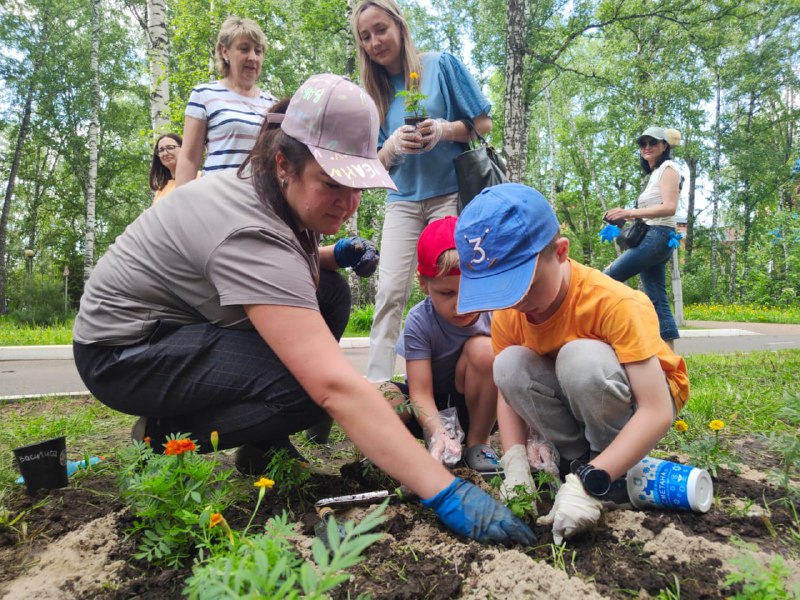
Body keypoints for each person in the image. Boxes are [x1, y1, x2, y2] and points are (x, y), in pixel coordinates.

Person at [72, 74, 534, 547]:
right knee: (308, 389)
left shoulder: (278, 196)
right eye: (334, 184)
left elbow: (280, 265)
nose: (349, 206)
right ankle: (162, 433)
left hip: (182, 323)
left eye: (358, 187)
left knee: (329, 289)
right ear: (283, 164)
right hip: (125, 350)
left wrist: (334, 255)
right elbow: (333, 385)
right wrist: (446, 493)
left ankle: (260, 441)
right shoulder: (249, 227)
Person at [453, 183, 690, 544]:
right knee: (508, 365)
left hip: (640, 401)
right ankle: (576, 462)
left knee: (580, 357)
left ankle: (608, 474)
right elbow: (509, 391)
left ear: (561, 253)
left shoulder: (614, 302)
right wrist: (515, 463)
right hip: (577, 398)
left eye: (524, 286)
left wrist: (594, 481)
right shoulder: (511, 311)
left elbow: (656, 410)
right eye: (500, 290)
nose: (516, 302)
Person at [352, 0, 493, 382]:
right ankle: (378, 385)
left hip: (449, 193)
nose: (375, 41)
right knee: (390, 290)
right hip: (402, 200)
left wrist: (445, 130)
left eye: (380, 29)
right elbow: (373, 165)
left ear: (399, 25)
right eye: (365, 36)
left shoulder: (440, 66)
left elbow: (483, 122)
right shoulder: (372, 93)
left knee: (454, 284)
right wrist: (392, 146)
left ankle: (466, 374)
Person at [382, 216, 500, 476]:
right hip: (429, 409)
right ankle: (406, 455)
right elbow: (420, 393)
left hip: (479, 408)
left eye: (471, 291)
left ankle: (479, 444)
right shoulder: (420, 320)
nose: (461, 304)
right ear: (423, 283)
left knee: (484, 349)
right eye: (447, 293)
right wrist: (438, 432)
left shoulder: (497, 314)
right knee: (383, 396)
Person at [174, 16, 277, 186]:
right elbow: (189, 159)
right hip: (216, 199)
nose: (253, 57)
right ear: (224, 52)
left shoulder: (273, 104)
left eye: (258, 51)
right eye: (244, 49)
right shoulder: (204, 95)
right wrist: (182, 207)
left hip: (260, 202)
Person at [603, 126, 683, 346]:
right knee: (657, 299)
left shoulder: (668, 167)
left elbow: (669, 207)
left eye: (653, 143)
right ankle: (670, 359)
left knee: (603, 280)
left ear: (664, 145)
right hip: (655, 237)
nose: (647, 147)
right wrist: (622, 217)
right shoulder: (655, 173)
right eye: (643, 144)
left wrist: (629, 212)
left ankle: (607, 332)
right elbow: (652, 211)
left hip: (657, 237)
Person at [149, 133, 183, 204]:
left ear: (183, 149)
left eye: (170, 147)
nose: (165, 153)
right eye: (161, 150)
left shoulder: (198, 177)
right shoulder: (160, 190)